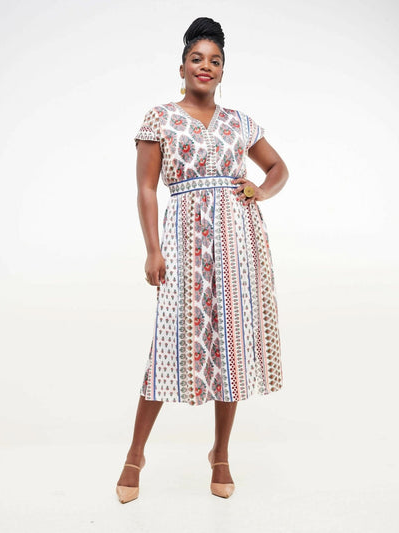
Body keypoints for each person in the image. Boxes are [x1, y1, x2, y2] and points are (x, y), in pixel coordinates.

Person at [116, 16, 289, 503]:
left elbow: (278, 167)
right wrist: (152, 249)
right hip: (183, 240)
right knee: (168, 343)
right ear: (183, 68)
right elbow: (146, 188)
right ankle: (135, 453)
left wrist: (261, 190)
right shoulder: (159, 119)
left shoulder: (240, 122)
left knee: (231, 345)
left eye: (214, 60)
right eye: (197, 59)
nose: (205, 66)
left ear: (223, 70)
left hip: (238, 241)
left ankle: (221, 453)